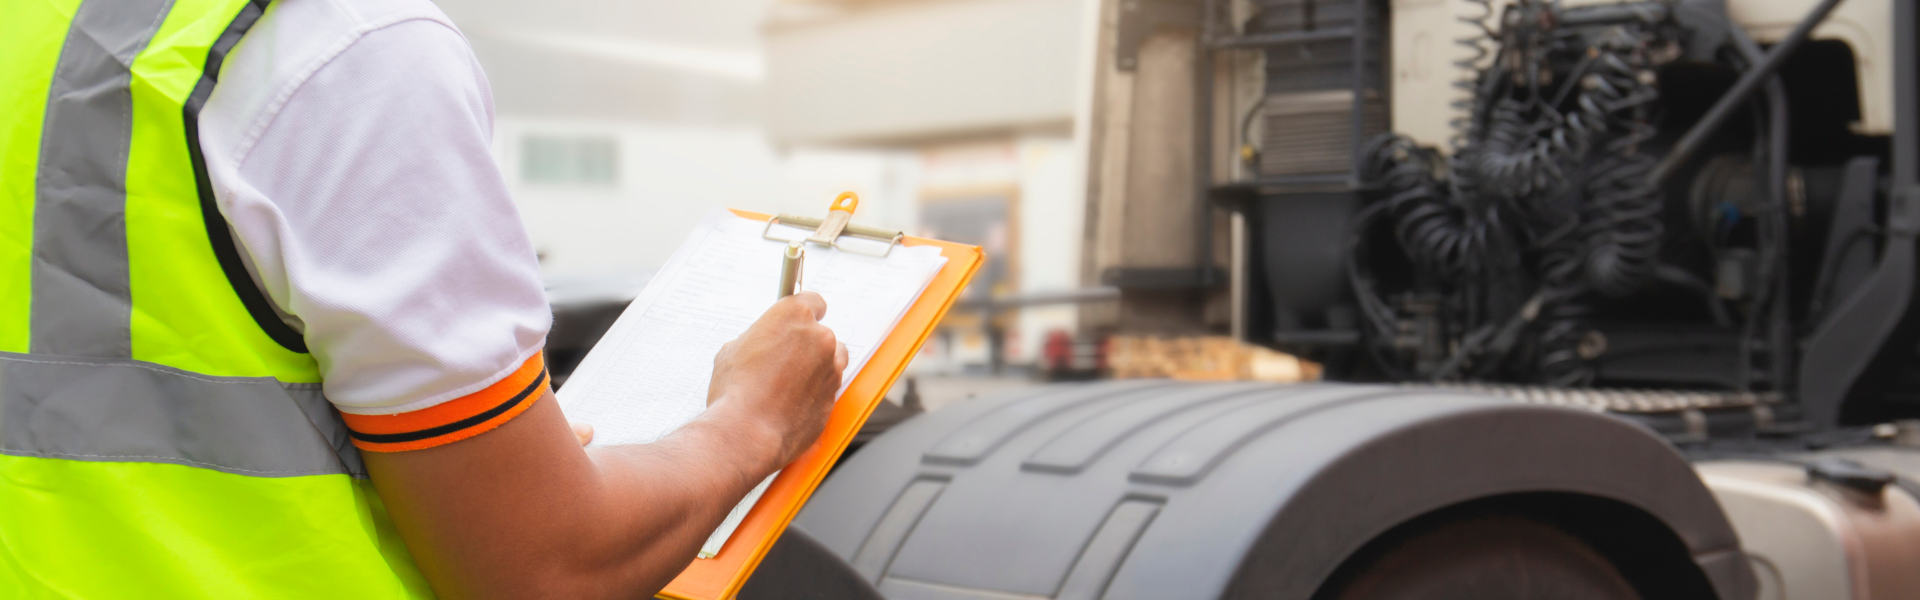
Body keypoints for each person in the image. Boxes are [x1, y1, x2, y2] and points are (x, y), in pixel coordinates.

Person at [0, 0, 845, 597]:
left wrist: (481, 465)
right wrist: (753, 421)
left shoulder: (36, 31)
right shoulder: (342, 52)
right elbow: (545, 567)